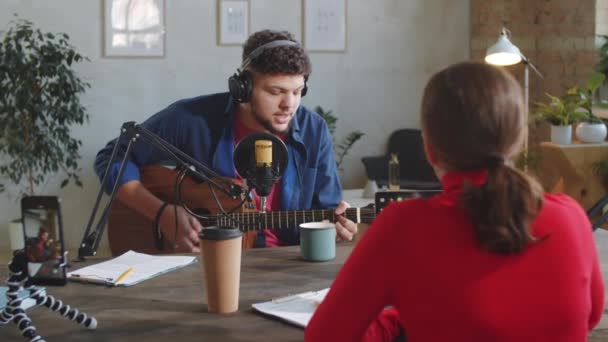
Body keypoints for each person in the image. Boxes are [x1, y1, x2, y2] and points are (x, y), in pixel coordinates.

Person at [306, 62, 605, 341]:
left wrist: (403, 318)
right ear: (518, 140)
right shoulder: (571, 216)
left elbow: (325, 335)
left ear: (429, 149)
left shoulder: (403, 227)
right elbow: (588, 316)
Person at [94, 29, 357, 253]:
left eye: (298, 92)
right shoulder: (192, 119)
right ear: (242, 87)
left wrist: (336, 227)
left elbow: (327, 211)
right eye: (275, 92)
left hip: (284, 267)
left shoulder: (314, 131)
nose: (289, 104)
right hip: (201, 265)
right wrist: (160, 213)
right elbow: (113, 155)